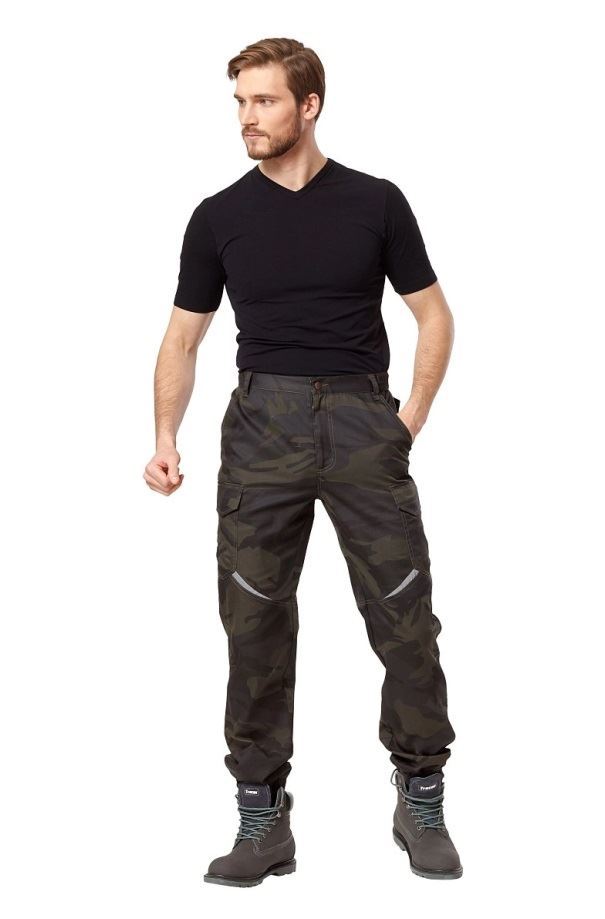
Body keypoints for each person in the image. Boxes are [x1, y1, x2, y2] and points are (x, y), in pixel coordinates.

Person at [144, 37, 463, 885]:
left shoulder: (375, 202)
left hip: (363, 420)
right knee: (252, 623)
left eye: (264, 101)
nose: (247, 118)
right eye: (240, 103)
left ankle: (421, 796)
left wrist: (406, 420)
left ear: (308, 104)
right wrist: (166, 436)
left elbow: (433, 314)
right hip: (262, 426)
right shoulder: (218, 216)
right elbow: (183, 337)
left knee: (403, 616)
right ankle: (261, 819)